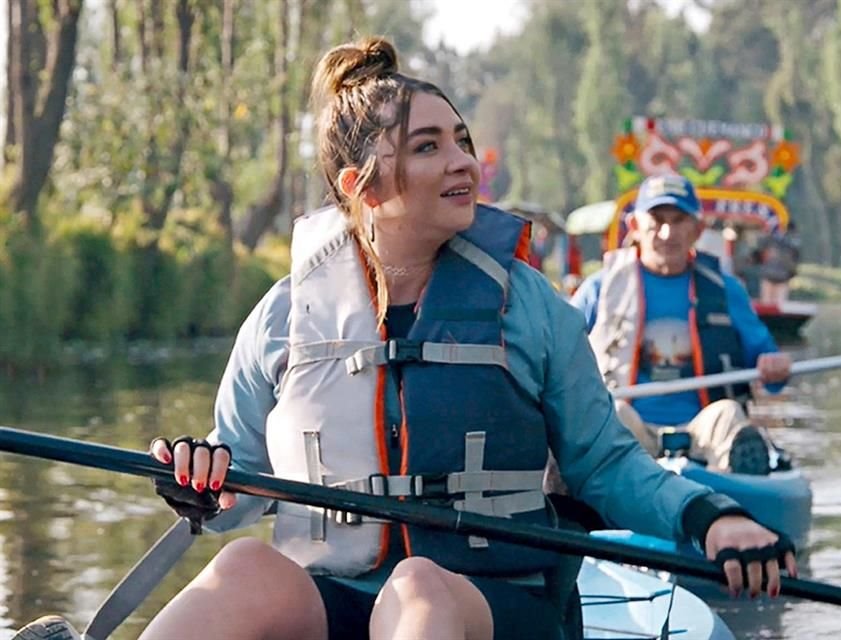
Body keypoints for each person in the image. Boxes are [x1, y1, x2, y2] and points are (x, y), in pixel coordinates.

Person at [13, 39, 795, 640]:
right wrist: (202, 484)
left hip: (499, 607)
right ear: (361, 187)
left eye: (460, 140)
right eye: (429, 148)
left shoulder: (530, 310)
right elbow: (235, 494)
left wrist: (712, 519)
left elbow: (607, 464)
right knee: (247, 564)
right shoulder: (284, 319)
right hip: (343, 601)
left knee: (417, 585)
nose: (464, 161)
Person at [569, 174, 793, 476]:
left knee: (729, 414)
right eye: (657, 220)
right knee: (613, 413)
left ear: (697, 230)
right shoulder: (601, 288)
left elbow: (772, 372)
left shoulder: (726, 291)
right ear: (635, 227)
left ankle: (731, 495)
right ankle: (602, 489)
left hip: (701, 432)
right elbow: (557, 352)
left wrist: (774, 366)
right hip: (629, 431)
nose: (666, 232)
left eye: (678, 221)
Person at [758, 221, 801, 304]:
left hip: (777, 277)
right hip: (775, 276)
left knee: (771, 305)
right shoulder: (791, 242)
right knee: (774, 306)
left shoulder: (776, 239)